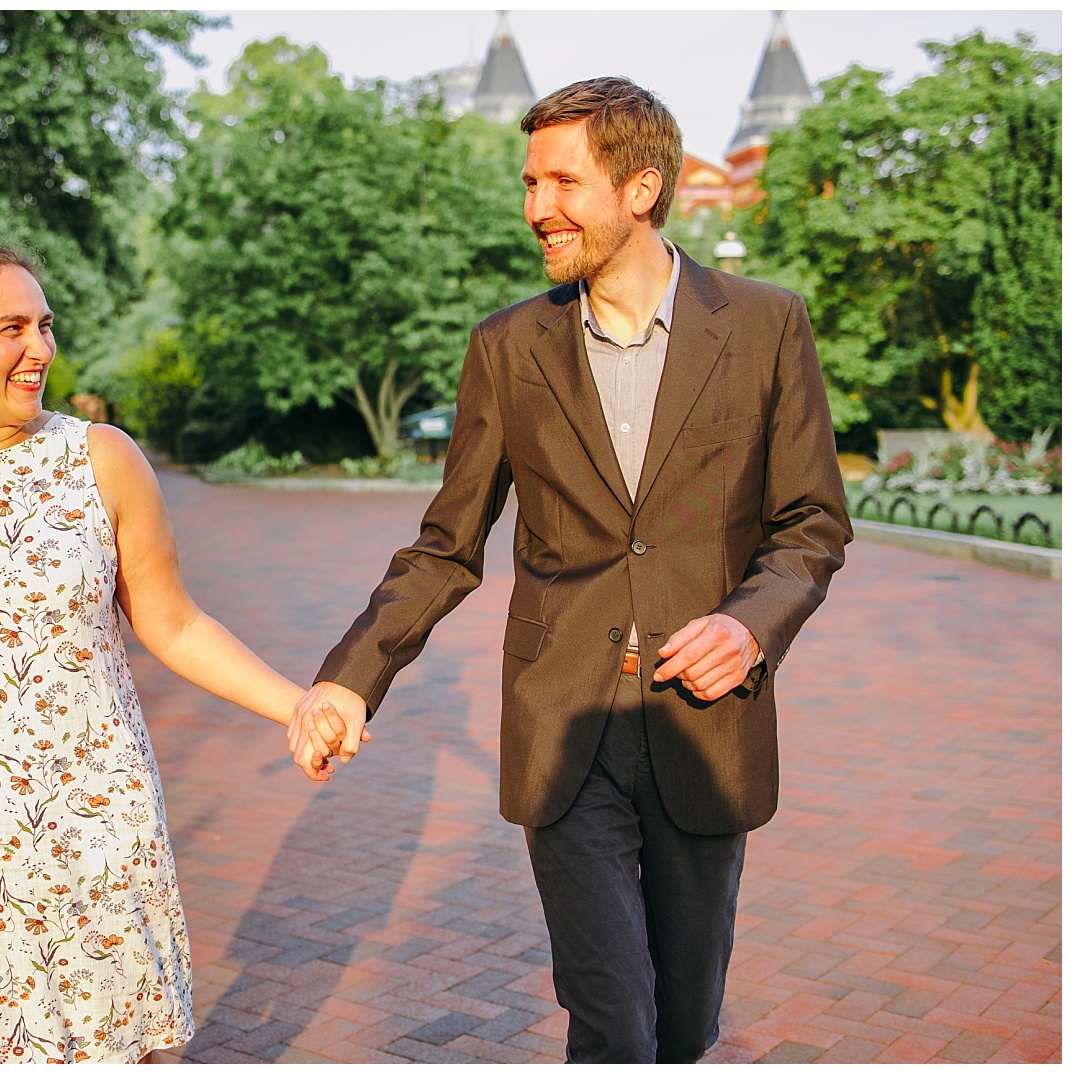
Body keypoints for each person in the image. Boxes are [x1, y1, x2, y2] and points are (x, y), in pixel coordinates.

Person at [287, 77, 852, 1062]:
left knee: (682, 1026)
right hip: (563, 729)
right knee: (612, 1020)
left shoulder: (766, 324)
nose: (534, 208)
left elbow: (809, 525)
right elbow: (444, 546)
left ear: (639, 188)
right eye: (528, 181)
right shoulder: (507, 348)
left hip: (703, 725)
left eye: (560, 181)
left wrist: (750, 624)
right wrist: (351, 675)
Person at [0, 242, 347, 1064]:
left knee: (100, 1044)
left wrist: (296, 703)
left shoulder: (100, 459)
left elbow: (174, 622)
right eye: (12, 328)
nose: (41, 350)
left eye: (46, 327)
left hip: (85, 828)